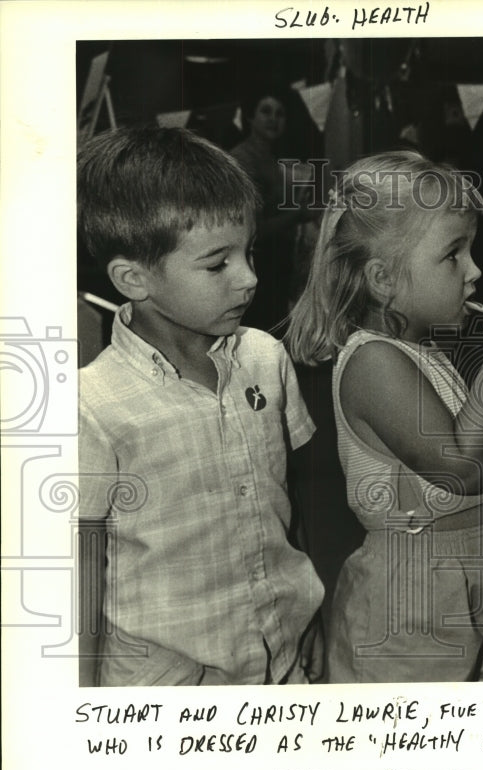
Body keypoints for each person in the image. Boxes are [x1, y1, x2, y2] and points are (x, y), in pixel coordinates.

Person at [77, 126, 324, 686]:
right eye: (218, 264)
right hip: (166, 687)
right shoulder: (92, 405)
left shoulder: (265, 358)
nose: (250, 279)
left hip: (283, 664)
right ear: (134, 279)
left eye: (249, 252)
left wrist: (309, 620)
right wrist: (81, 705)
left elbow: (286, 506)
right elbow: (85, 568)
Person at [285, 151, 483, 682]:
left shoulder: (424, 351)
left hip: (482, 562)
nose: (475, 271)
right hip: (414, 588)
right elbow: (462, 467)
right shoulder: (374, 360)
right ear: (383, 280)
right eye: (453, 255)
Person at [230, 89, 311, 331]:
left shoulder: (272, 159)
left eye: (280, 114)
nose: (273, 119)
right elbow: (255, 229)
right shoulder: (243, 159)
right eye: (266, 111)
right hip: (256, 261)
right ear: (250, 118)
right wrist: (299, 213)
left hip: (276, 262)